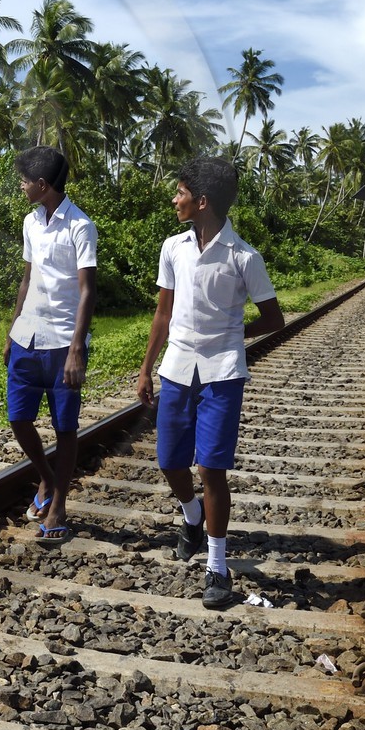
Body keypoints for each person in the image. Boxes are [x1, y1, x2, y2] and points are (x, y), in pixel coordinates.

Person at [137, 157, 284, 609]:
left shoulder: (244, 256)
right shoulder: (173, 248)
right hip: (178, 369)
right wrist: (146, 367)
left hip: (222, 372)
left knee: (211, 469)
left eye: (180, 192)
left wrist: (237, 334)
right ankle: (191, 514)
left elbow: (274, 318)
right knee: (168, 461)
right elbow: (163, 313)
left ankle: (217, 567)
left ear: (201, 202)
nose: (174, 199)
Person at [5, 145, 97, 548]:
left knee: (65, 428)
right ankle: (46, 476)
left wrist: (77, 348)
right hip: (27, 336)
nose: (21, 185)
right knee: (18, 418)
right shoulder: (30, 222)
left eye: (25, 180)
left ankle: (58, 503)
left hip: (63, 341)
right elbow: (28, 277)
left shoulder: (80, 226)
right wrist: (12, 329)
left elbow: (87, 289)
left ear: (42, 185)